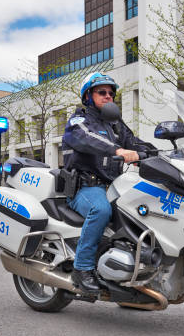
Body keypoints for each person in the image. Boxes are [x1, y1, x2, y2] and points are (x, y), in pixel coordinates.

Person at [62, 72, 154, 294]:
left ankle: (131, 273)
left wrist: (160, 153)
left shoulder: (116, 125)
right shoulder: (79, 121)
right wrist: (118, 150)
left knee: (145, 209)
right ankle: (82, 268)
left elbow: (135, 143)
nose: (108, 96)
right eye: (101, 92)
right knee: (101, 210)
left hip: (113, 186)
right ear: (87, 96)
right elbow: (88, 139)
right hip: (86, 187)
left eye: (111, 94)